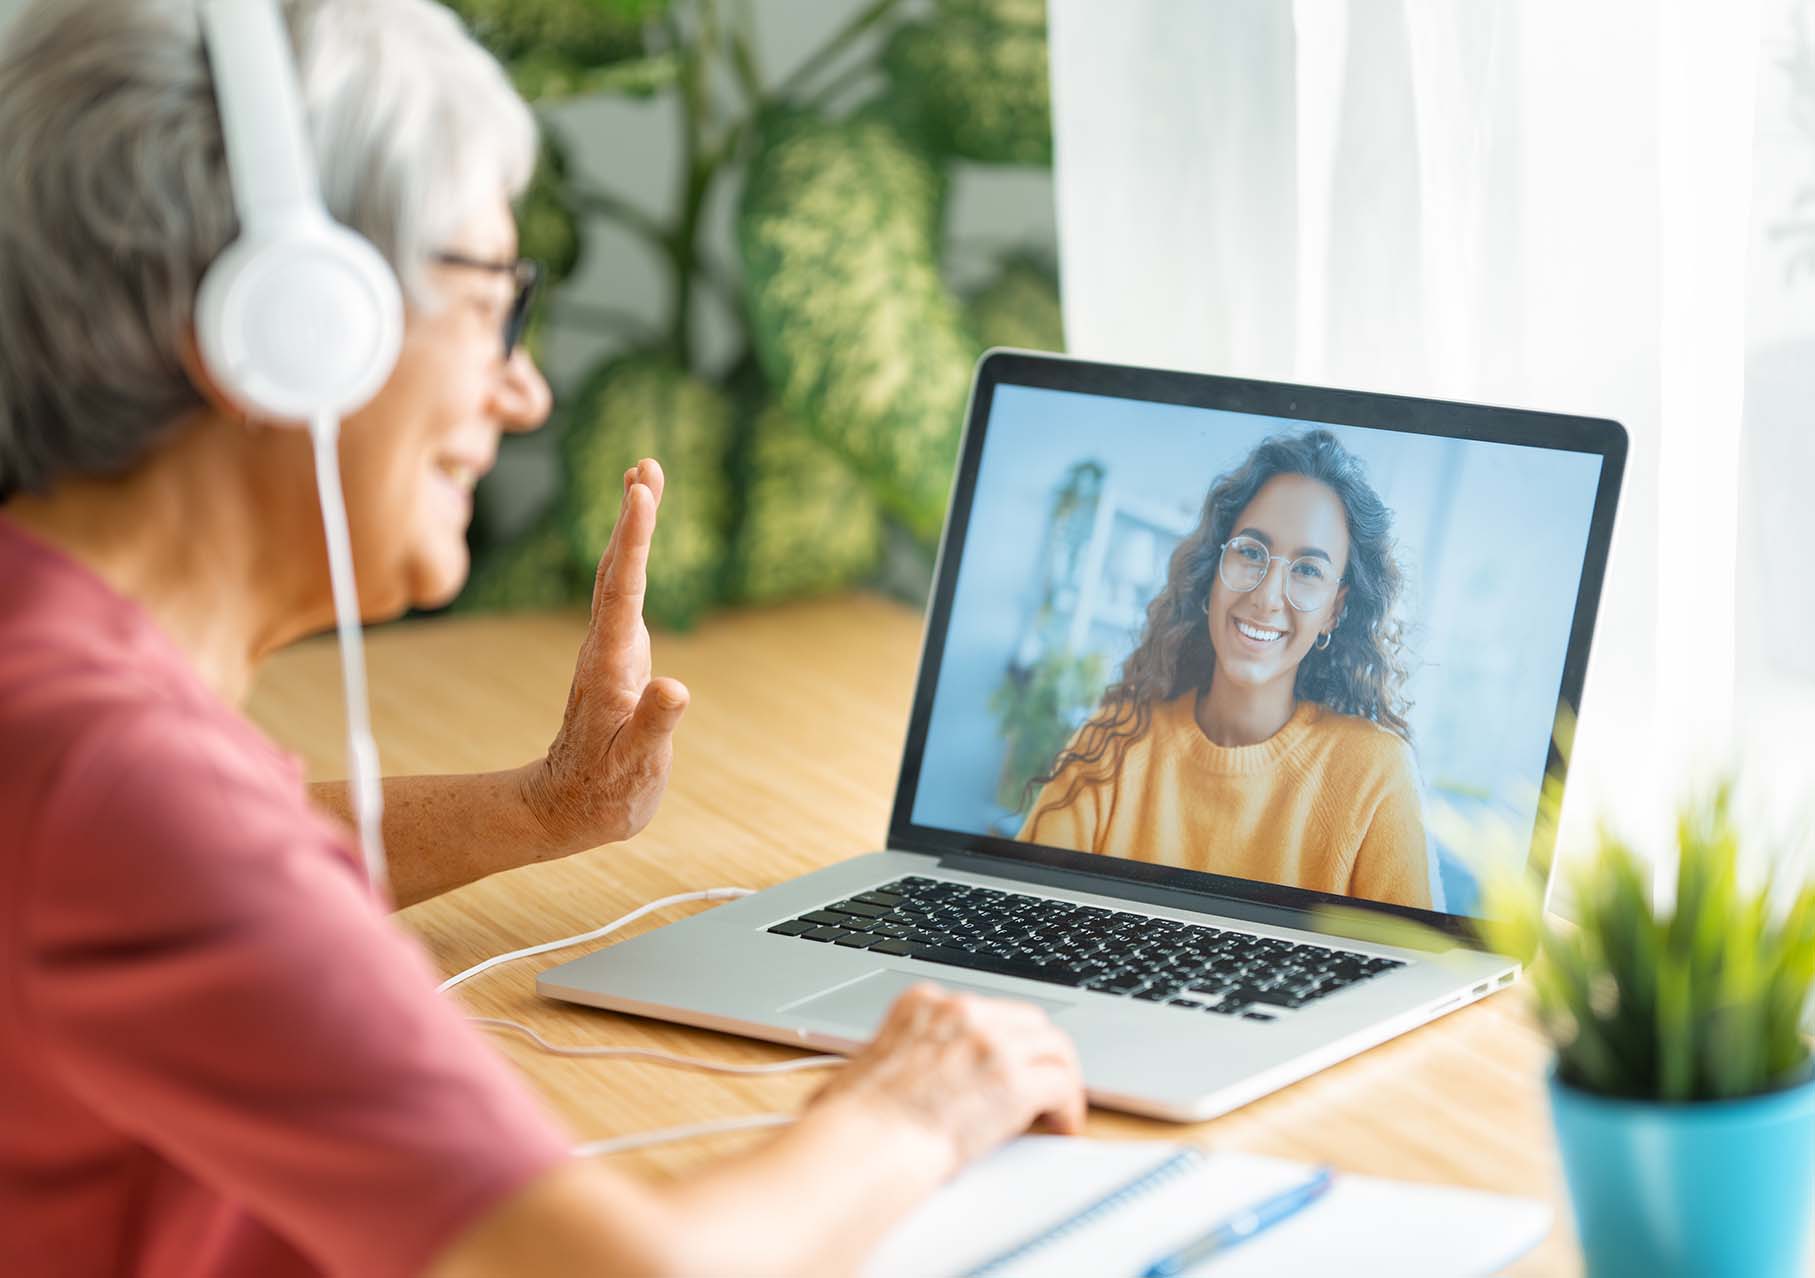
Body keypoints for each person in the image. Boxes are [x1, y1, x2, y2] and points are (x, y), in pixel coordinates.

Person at [0, 2, 1084, 1275]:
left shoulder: (58, 689)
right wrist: (913, 1107)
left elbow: (204, 865)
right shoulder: (111, 784)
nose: (526, 393)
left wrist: (536, 811)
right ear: (290, 323)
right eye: (490, 308)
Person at [1018, 430, 1431, 909]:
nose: (1266, 596)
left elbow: (1413, 962)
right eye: (1251, 552)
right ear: (1214, 567)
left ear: (1335, 611)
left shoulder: (1376, 774)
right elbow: (1026, 910)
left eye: (1308, 570)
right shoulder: (1114, 741)